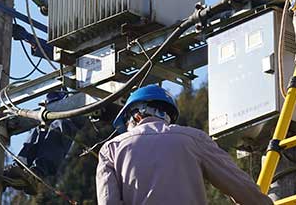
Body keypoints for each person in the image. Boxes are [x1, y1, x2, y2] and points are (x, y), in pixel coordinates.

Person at [96, 85, 272, 205]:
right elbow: (238, 184)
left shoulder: (111, 149)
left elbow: (107, 201)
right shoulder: (193, 138)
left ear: (136, 115)